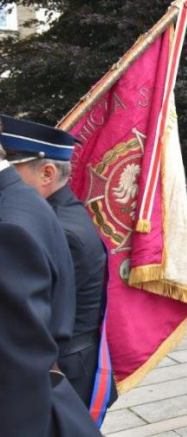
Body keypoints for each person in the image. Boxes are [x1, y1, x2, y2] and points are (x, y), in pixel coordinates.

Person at [2, 115, 117, 412]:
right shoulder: (59, 213)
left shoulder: (52, 227)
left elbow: (35, 321)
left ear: (47, 173)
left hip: (64, 371)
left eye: (10, 167)